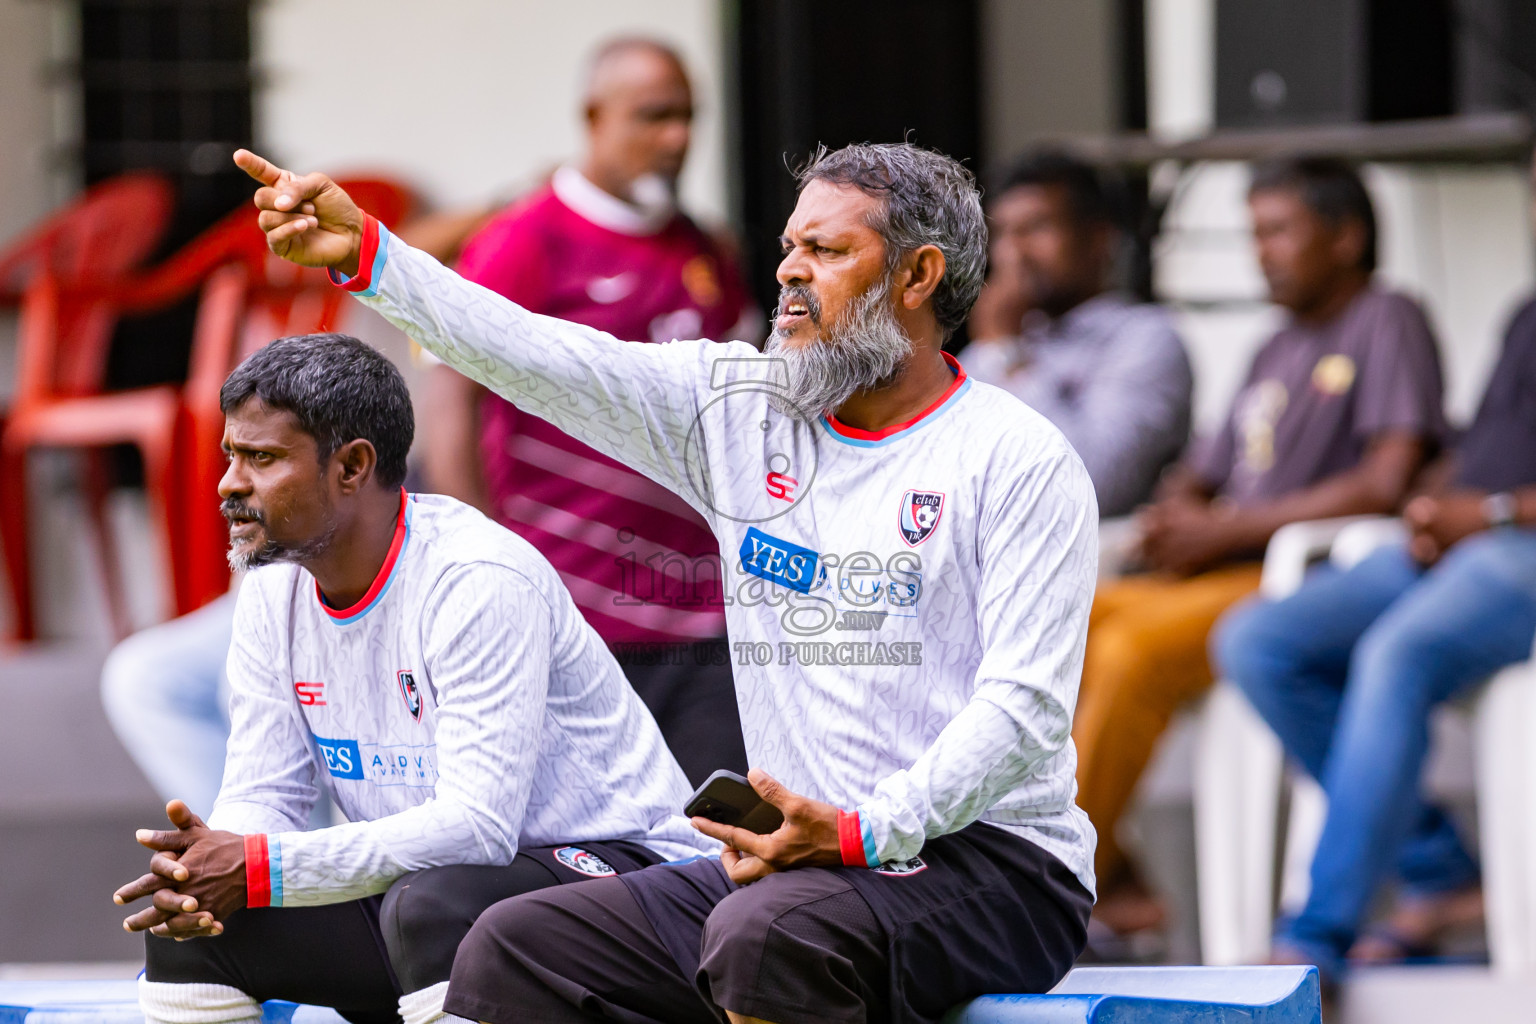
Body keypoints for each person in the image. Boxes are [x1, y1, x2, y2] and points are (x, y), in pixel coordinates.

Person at [236, 137, 1098, 1024]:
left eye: (829, 252)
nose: (792, 274)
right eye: (790, 249)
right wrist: (373, 258)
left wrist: (864, 831)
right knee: (510, 942)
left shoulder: (1016, 458)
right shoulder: (738, 409)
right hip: (796, 861)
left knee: (764, 936)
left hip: (993, 862)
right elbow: (533, 354)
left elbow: (1022, 710)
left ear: (918, 277)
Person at [112, 334, 713, 1024]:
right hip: (441, 890)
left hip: (629, 884)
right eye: (232, 456)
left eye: (263, 458)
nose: (230, 484)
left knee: (434, 905)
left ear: (352, 467)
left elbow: (479, 827)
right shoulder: (270, 588)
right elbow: (264, 794)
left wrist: (262, 868)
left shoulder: (477, 579)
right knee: (198, 934)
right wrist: (213, 873)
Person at [1074, 157, 1447, 936]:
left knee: (1129, 652)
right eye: (1254, 234)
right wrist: (1179, 511)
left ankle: (1055, 876)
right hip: (1214, 569)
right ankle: (1105, 863)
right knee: (1058, 619)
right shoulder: (1274, 345)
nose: (1262, 252)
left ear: (1345, 237)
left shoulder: (1386, 318)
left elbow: (1387, 480)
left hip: (1290, 582)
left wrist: (1229, 528)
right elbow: (1208, 473)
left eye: (1279, 230)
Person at [1212, 202, 1536, 981]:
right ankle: (1438, 868)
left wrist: (1490, 512)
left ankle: (1316, 934)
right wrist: (1433, 503)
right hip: (1463, 542)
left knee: (1396, 652)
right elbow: (1487, 446)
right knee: (1259, 641)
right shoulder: (1528, 311)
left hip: (1518, 548)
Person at [424, 38, 755, 785]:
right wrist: (489, 571)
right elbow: (450, 398)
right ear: (593, 116)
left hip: (703, 617)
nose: (676, 139)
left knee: (717, 844)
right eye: (653, 117)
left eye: (688, 118)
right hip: (577, 619)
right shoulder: (527, 239)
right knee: (593, 860)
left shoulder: (704, 250)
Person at [963, 150, 1191, 516]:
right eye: (1003, 233)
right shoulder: (991, 347)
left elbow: (1091, 482)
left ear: (1100, 239)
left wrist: (1008, 355)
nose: (1014, 253)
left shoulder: (1145, 339)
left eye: (1036, 228)